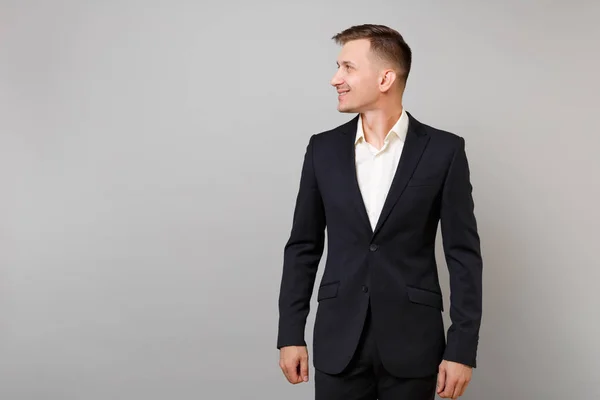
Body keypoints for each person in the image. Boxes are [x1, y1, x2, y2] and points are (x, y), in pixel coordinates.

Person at [276, 24, 483, 400]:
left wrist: (462, 349)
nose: (335, 78)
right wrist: (290, 333)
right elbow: (303, 247)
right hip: (339, 342)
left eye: (348, 67)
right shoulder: (322, 150)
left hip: (414, 346)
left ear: (385, 77)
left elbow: (463, 257)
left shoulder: (444, 151)